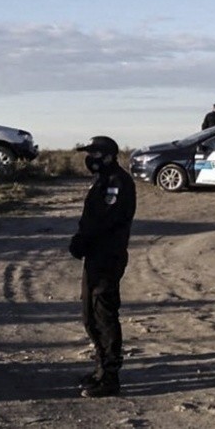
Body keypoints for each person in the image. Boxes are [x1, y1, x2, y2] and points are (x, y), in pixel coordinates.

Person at [68, 136, 136, 398]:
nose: (90, 159)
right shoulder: (103, 181)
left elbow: (105, 221)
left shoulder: (117, 183)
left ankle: (110, 376)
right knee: (90, 314)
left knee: (104, 314)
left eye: (94, 153)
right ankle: (100, 368)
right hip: (95, 257)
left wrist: (82, 241)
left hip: (107, 257)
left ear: (108, 156)